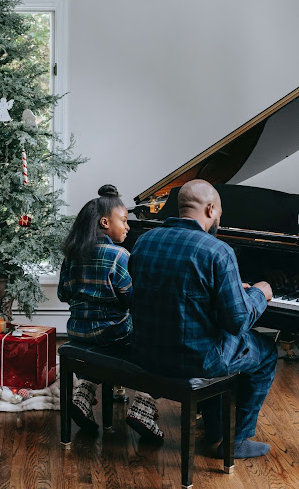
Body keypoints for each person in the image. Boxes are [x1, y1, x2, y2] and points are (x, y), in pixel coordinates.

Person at [129, 179, 278, 459]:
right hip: (196, 360)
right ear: (211, 209)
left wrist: (229, 292)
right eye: (219, 213)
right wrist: (259, 292)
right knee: (267, 352)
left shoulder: (144, 241)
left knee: (212, 334)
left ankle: (215, 427)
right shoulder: (217, 250)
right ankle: (238, 440)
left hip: (146, 353)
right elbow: (237, 322)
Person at [58, 184, 164, 440]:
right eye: (124, 220)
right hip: (112, 335)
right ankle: (144, 404)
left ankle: (83, 394)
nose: (128, 226)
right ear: (105, 222)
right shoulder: (119, 256)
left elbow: (63, 294)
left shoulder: (72, 255)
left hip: (78, 334)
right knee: (158, 342)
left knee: (101, 343)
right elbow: (132, 300)